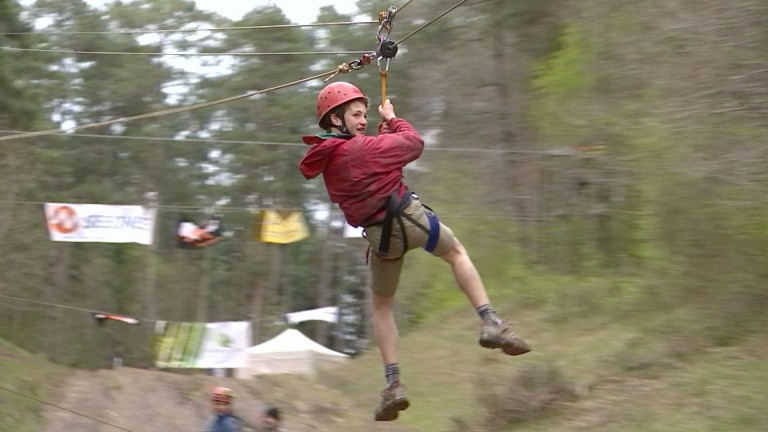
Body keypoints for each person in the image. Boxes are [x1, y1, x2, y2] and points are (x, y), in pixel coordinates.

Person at [298, 81, 532, 422]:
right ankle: (491, 322)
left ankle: (393, 382)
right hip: (412, 219)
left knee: (381, 306)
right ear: (336, 120)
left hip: (381, 239)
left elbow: (366, 167)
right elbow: (413, 144)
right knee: (457, 255)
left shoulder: (330, 160)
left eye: (364, 114)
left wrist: (376, 142)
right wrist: (393, 120)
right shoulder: (365, 148)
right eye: (356, 114)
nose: (362, 120)